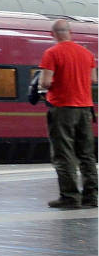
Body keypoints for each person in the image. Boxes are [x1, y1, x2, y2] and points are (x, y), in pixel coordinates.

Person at [39, 19, 97, 209]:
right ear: (70, 32)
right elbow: (93, 79)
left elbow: (45, 82)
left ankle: (70, 197)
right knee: (86, 154)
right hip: (85, 109)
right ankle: (91, 197)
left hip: (63, 109)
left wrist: (48, 83)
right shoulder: (87, 53)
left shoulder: (52, 53)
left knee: (64, 153)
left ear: (53, 34)